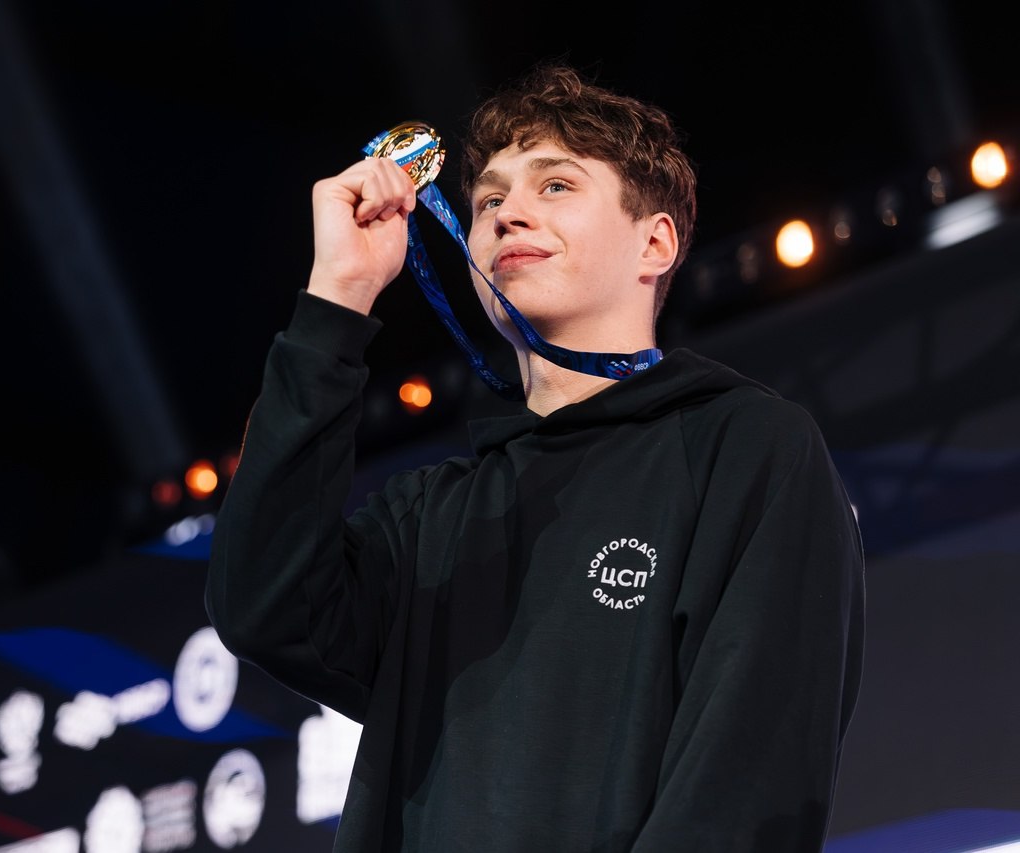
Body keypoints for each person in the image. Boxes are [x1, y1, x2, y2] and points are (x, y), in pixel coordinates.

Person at [206, 61, 865, 852]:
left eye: (555, 185)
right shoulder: (430, 516)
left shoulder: (746, 448)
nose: (508, 214)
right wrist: (336, 298)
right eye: (488, 201)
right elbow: (262, 605)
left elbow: (747, 784)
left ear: (655, 242)